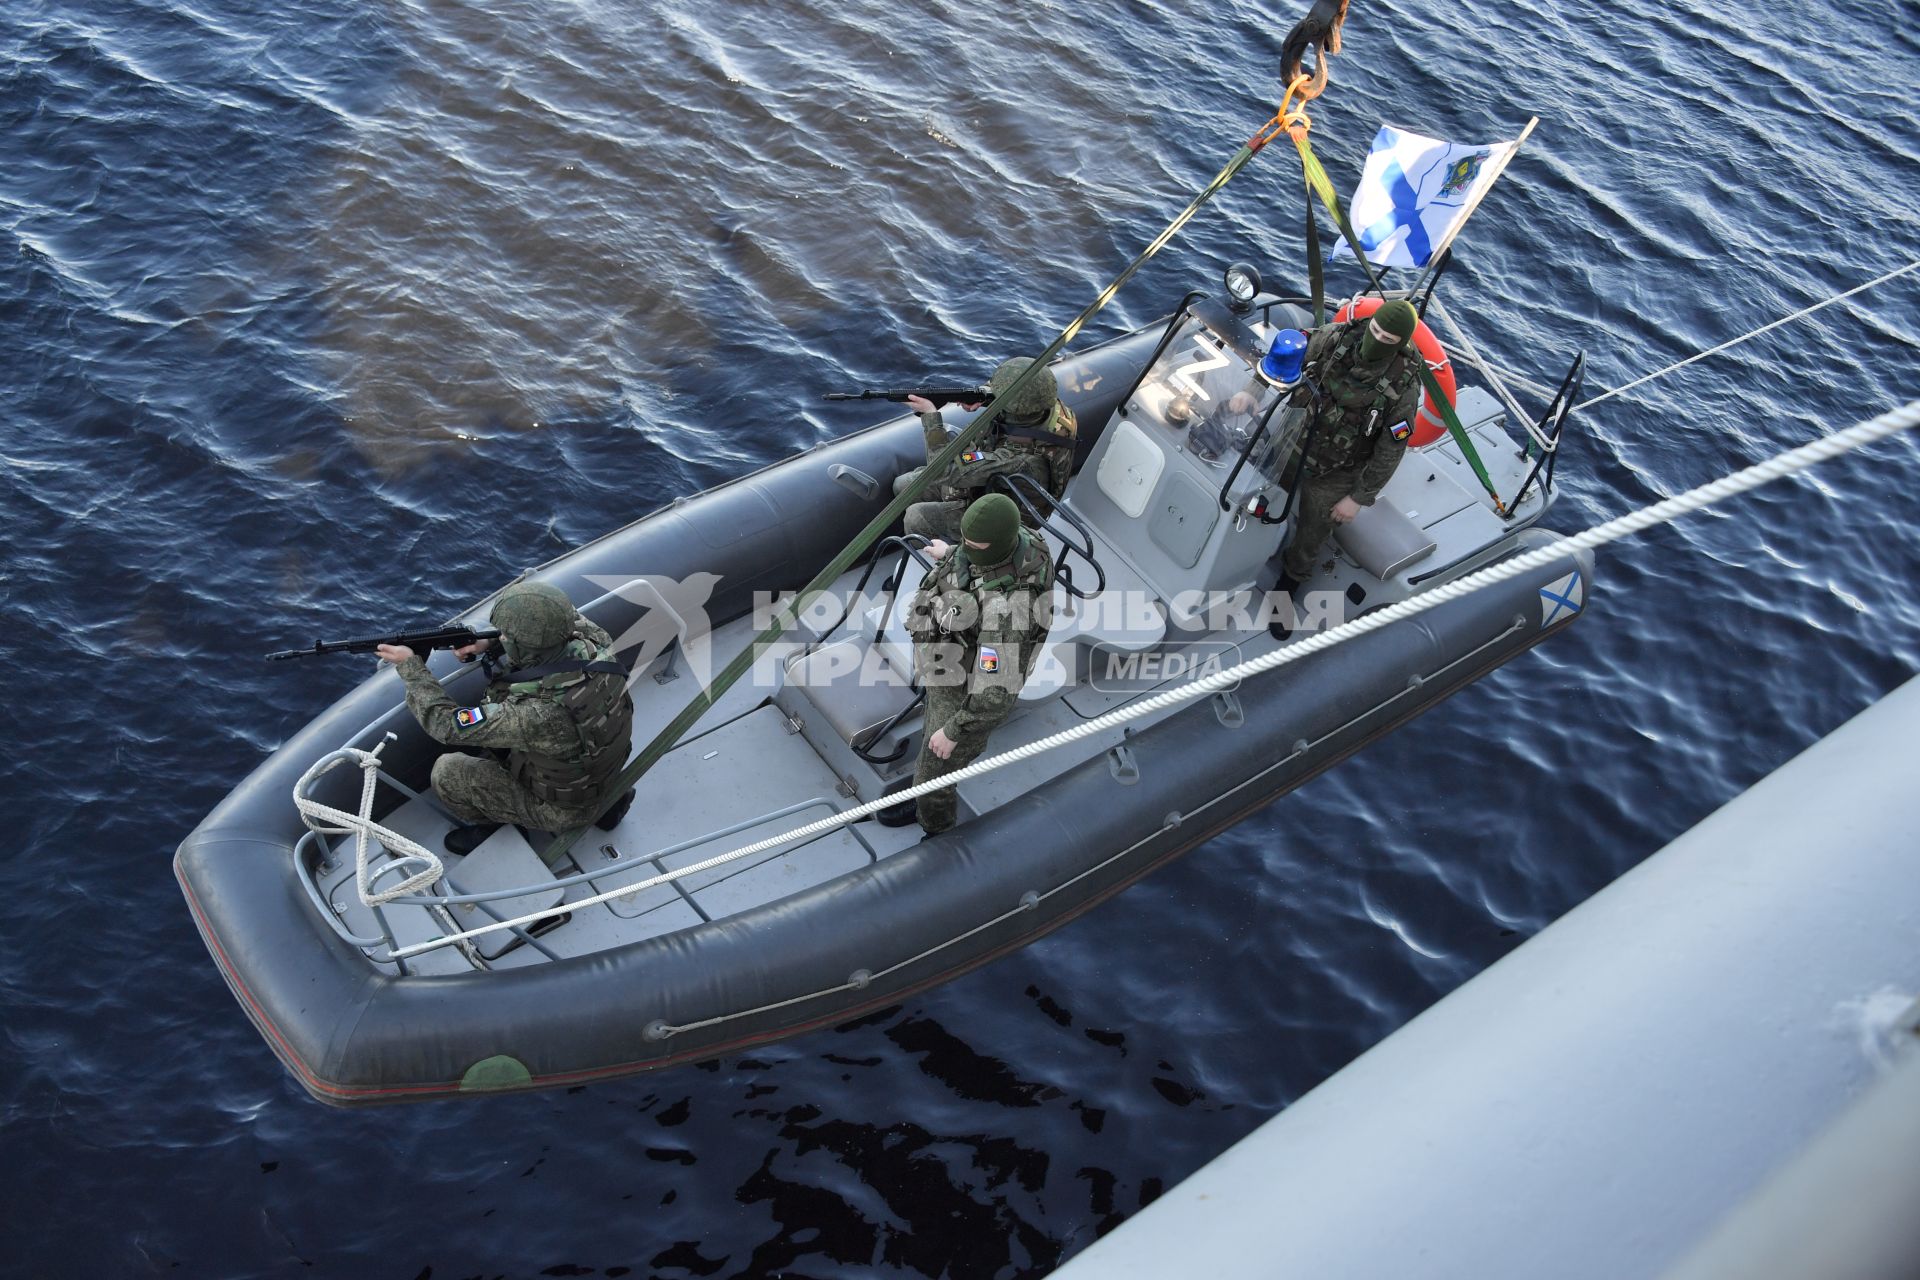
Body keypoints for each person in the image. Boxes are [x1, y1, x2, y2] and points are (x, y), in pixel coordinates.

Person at [376, 580, 636, 854]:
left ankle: (495, 825)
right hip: (605, 770)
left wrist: (411, 669)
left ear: (524, 647)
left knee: (447, 773)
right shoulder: (598, 643)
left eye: (506, 638)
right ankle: (609, 808)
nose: (501, 638)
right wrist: (489, 642)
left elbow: (445, 725)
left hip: (564, 807)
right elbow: (560, 617)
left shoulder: (539, 714)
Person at [887, 493, 1054, 835]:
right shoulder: (1018, 540)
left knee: (937, 770)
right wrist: (950, 553)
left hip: (967, 683)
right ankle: (924, 788)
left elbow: (996, 692)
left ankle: (936, 825)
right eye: (963, 540)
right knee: (931, 735)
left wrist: (954, 731)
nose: (965, 548)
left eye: (972, 545)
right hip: (948, 660)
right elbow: (980, 558)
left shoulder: (1008, 611)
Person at [1272, 298, 1424, 635]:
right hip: (1294, 439)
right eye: (1375, 330)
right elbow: (1292, 357)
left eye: (1387, 339)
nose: (1377, 340)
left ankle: (1288, 585)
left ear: (1400, 344)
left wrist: (1358, 498)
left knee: (1312, 533)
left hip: (1338, 468)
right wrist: (1252, 392)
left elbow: (1390, 449)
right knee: (1260, 496)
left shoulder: (1404, 387)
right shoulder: (1336, 337)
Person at [893, 356, 1078, 544]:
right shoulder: (1044, 405)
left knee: (916, 517)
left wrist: (931, 417)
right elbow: (1015, 393)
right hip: (992, 485)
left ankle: (943, 563)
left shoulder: (1021, 458)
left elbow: (942, 471)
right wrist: (983, 396)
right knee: (902, 485)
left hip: (1001, 517)